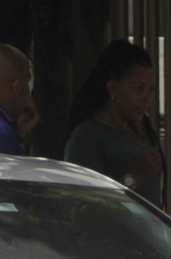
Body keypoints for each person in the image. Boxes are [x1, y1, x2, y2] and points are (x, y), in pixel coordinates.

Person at [64, 40, 165, 207]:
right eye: (138, 88)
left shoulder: (134, 133)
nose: (146, 98)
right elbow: (86, 205)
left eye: (151, 90)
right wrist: (136, 176)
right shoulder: (87, 139)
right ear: (112, 88)